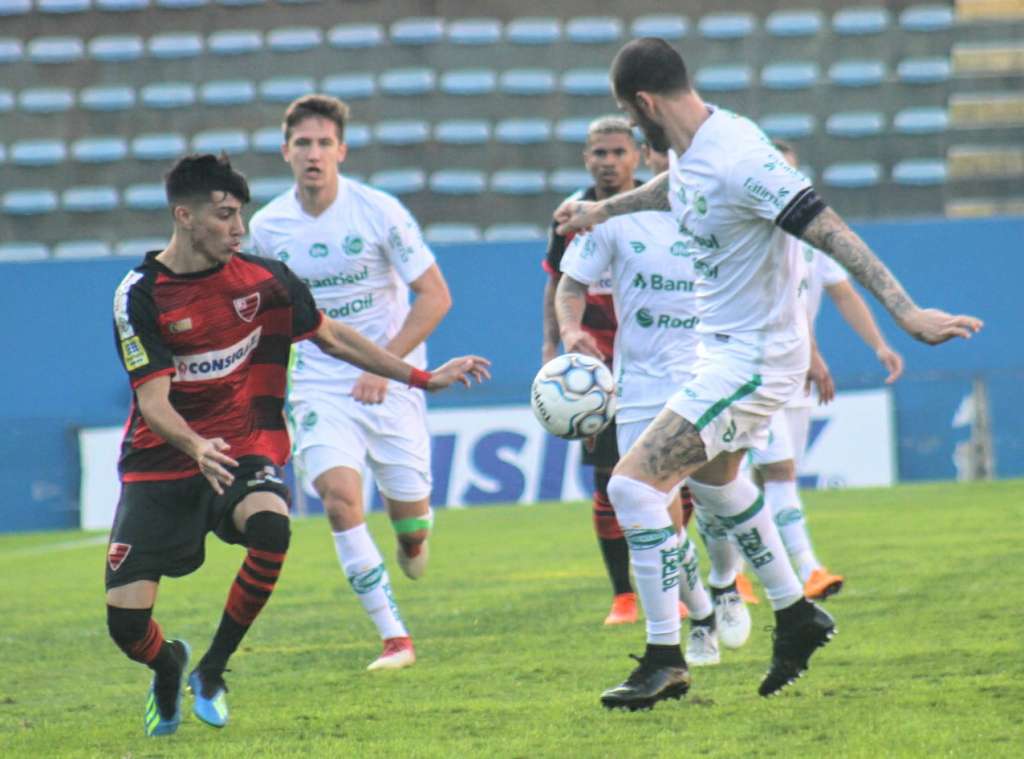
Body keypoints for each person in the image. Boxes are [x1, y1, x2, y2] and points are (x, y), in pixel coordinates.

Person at [554, 38, 982, 709]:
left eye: (630, 117)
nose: (633, 130)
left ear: (644, 103)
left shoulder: (742, 157)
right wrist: (601, 211)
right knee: (718, 486)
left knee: (631, 487)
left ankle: (666, 657)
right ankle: (796, 613)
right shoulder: (698, 149)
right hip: (723, 352)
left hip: (753, 361)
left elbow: (829, 228)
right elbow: (676, 186)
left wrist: (906, 311)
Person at [107, 153, 489, 737]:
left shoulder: (265, 279)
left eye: (242, 215)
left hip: (242, 443)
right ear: (184, 216)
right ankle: (169, 664)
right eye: (225, 215)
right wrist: (195, 446)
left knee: (271, 526)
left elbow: (333, 337)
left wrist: (420, 377)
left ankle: (212, 670)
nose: (239, 228)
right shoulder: (141, 294)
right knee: (127, 628)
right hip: (162, 461)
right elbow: (154, 403)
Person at [249, 94, 454, 671]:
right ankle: (395, 638)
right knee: (340, 502)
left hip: (388, 375)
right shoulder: (267, 228)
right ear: (285, 151)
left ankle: (413, 537)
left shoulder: (379, 211)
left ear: (341, 150)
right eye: (303, 144)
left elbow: (436, 296)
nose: (313, 154)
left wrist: (380, 365)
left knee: (411, 525)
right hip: (319, 382)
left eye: (323, 143)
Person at [556, 139, 721, 666]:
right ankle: (701, 617)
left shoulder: (720, 212)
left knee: (719, 497)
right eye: (662, 152)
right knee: (658, 518)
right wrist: (569, 330)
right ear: (649, 157)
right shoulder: (615, 219)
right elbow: (570, 284)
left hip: (709, 379)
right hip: (639, 390)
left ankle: (720, 597)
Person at [746, 141, 906, 600]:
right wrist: (813, 352)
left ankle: (735, 573)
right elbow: (775, 306)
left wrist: (879, 345)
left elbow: (842, 293)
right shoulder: (749, 235)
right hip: (753, 369)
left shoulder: (809, 237)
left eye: (793, 173)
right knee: (776, 473)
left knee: (764, 477)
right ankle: (806, 569)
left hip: (793, 370)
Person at [541, 116, 646, 626]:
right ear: (586, 159)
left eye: (618, 152)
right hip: (596, 371)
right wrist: (553, 345)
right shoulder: (570, 216)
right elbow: (557, 284)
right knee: (609, 482)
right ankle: (624, 595)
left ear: (637, 156)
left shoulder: (655, 204)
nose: (608, 162)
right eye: (599, 153)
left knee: (680, 477)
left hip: (653, 359)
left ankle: (698, 581)